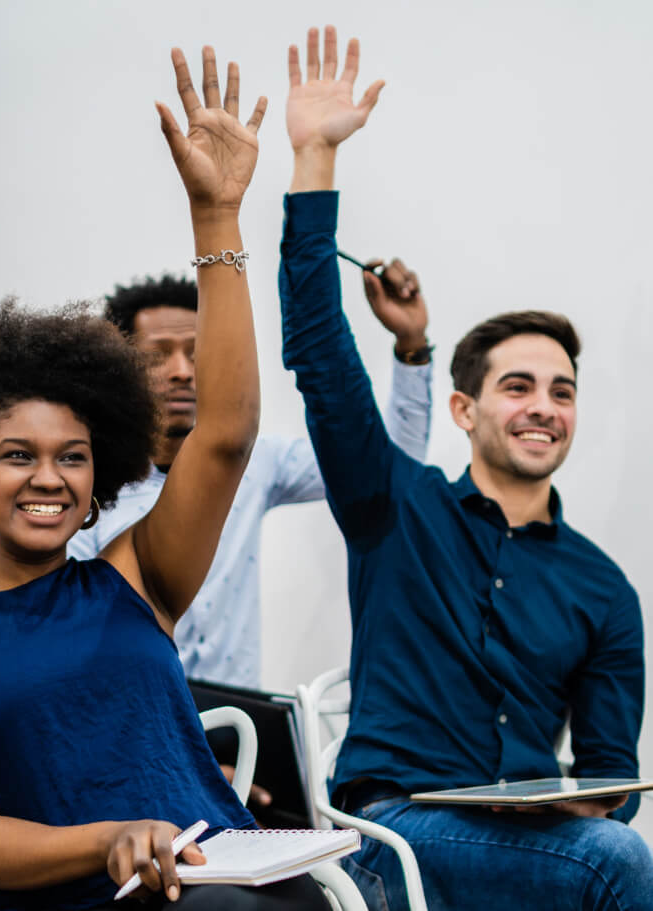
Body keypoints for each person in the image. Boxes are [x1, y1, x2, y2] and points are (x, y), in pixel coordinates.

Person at [0, 46, 329, 911]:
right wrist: (112, 840)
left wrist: (217, 217)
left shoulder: (134, 576)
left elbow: (225, 435)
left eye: (72, 456)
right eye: (18, 454)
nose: (50, 477)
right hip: (69, 895)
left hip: (216, 876)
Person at [278, 26, 650, 911]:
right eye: (517, 385)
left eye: (561, 391)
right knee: (617, 867)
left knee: (612, 847)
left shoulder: (603, 588)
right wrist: (314, 160)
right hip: (390, 831)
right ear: (464, 409)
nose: (542, 406)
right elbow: (322, 359)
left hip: (529, 839)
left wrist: (590, 795)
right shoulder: (392, 506)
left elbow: (610, 777)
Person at [68, 267, 432, 689]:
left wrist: (412, 346)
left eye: (196, 351)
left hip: (238, 723)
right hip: (130, 715)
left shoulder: (254, 462)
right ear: (119, 369)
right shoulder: (86, 479)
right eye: (157, 355)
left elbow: (385, 464)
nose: (182, 370)